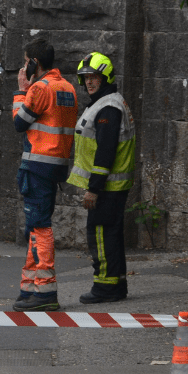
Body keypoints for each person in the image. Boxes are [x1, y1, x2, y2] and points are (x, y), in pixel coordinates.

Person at [10, 37, 78, 311]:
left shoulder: (39, 89)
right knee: (36, 226)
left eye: (26, 61)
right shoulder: (68, 87)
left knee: (40, 227)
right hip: (56, 164)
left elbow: (18, 123)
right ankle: (30, 288)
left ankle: (46, 292)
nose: (24, 66)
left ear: (34, 62)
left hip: (37, 164)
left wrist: (20, 92)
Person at [69, 52, 136, 304]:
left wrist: (93, 189)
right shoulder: (108, 102)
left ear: (105, 76)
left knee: (100, 233)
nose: (89, 82)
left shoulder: (108, 107)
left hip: (107, 186)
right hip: (113, 184)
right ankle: (116, 284)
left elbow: (105, 151)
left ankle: (105, 287)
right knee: (112, 233)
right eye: (86, 77)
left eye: (94, 76)